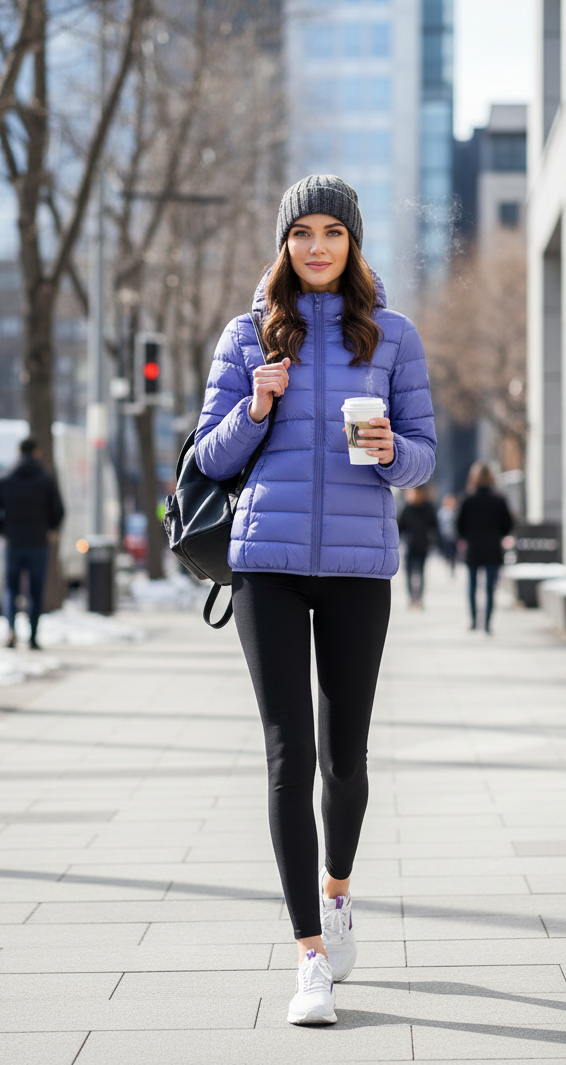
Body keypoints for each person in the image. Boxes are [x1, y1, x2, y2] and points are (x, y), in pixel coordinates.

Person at [194, 175, 436, 1026]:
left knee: (346, 756)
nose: (318, 246)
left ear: (354, 242)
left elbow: (424, 457)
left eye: (334, 231)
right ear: (285, 243)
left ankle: (337, 894)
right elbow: (213, 459)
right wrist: (257, 404)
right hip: (266, 561)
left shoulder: (395, 336)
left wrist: (388, 449)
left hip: (359, 567)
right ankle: (308, 958)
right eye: (304, 232)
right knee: (288, 752)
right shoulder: (248, 333)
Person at [0, 436, 65, 650]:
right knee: (36, 590)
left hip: (13, 543)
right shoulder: (46, 480)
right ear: (36, 453)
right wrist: (50, 529)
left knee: (11, 588)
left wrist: (3, 531)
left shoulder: (4, 478)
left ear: (19, 453)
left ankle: (11, 630)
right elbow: (59, 511)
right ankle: (33, 636)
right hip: (38, 543)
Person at [455, 462, 513, 635]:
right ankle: (487, 622)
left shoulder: (467, 500)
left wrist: (468, 535)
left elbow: (459, 526)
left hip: (473, 548)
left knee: (472, 586)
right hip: (492, 548)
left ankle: (474, 620)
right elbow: (508, 525)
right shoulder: (499, 500)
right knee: (489, 588)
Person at [397, 486, 439, 608]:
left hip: (422, 545)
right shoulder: (407, 508)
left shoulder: (428, 508)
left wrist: (435, 541)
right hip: (409, 546)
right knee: (409, 574)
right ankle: (412, 598)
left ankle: (419, 599)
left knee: (420, 573)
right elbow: (400, 527)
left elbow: (434, 526)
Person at [436, 492, 459, 572]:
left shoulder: (455, 512)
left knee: (453, 552)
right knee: (446, 552)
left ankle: (452, 565)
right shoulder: (442, 512)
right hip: (444, 535)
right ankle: (447, 561)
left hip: (453, 536)